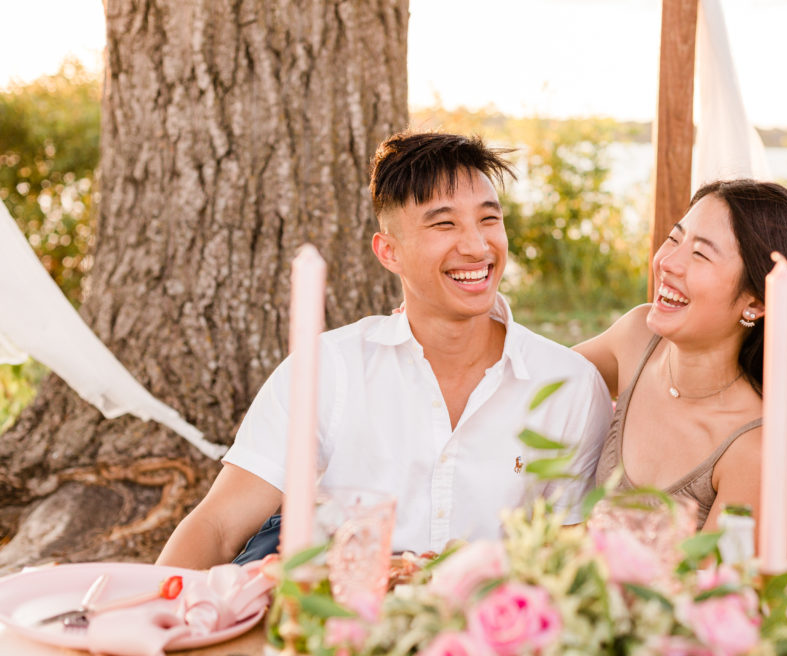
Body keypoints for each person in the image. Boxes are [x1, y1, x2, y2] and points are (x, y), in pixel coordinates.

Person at [157, 132, 611, 569]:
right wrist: (146, 619)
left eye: (489, 219)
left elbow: (569, 559)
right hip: (337, 631)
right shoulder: (328, 369)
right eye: (445, 223)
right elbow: (218, 525)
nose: (476, 246)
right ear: (388, 252)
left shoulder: (568, 386)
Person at [575, 179, 787, 567]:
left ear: (755, 302)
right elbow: (524, 381)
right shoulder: (636, 338)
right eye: (674, 239)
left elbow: (701, 604)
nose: (667, 263)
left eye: (701, 255)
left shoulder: (750, 449)